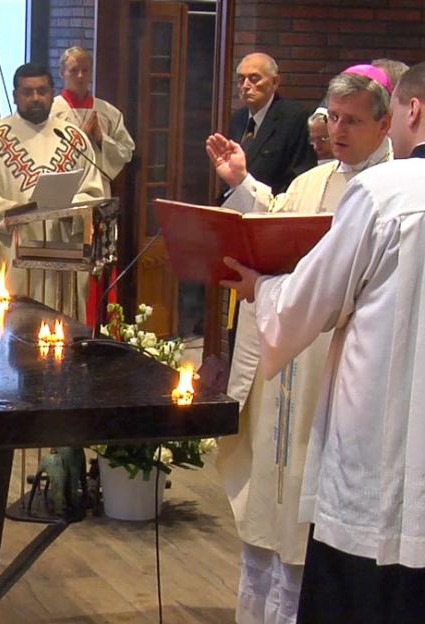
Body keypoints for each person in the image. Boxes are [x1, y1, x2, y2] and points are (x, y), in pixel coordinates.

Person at [220, 60, 425, 624]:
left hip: (338, 369)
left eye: (352, 120)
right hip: (308, 365)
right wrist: (242, 183)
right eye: (332, 117)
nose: (337, 131)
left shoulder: (382, 192)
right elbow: (274, 222)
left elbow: (311, 292)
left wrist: (264, 289)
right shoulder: (315, 181)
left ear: (396, 121)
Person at [0, 63, 104, 319]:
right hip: (12, 250)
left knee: (60, 332)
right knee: (11, 329)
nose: (35, 98)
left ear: (52, 92)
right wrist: (19, 212)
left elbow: (93, 192)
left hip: (62, 248)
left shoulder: (72, 137)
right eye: (27, 92)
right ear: (15, 96)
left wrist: (73, 209)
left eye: (42, 91)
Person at [226, 53, 316, 197]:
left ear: (275, 82)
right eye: (241, 79)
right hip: (236, 204)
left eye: (254, 79)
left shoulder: (294, 118)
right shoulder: (238, 119)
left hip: (273, 209)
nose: (245, 86)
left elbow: (300, 175)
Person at [51, 46, 134, 196]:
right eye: (74, 70)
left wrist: (102, 139)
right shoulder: (50, 111)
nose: (80, 76)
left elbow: (126, 152)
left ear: (91, 74)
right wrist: (79, 138)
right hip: (62, 190)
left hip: (98, 189)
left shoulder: (108, 112)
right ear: (62, 73)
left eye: (85, 70)